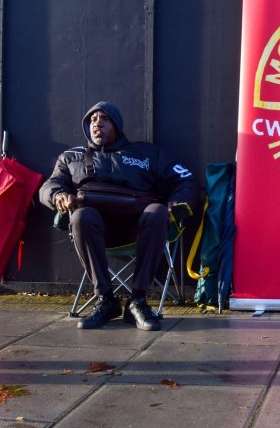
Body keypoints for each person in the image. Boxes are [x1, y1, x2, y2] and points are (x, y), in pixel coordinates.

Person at [39, 101, 196, 331]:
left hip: (139, 228)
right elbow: (48, 186)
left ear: (117, 125)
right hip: (98, 232)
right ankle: (105, 300)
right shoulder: (72, 157)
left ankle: (138, 301)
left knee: (157, 211)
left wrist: (178, 202)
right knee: (81, 216)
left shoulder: (146, 153)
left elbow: (185, 178)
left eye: (104, 119)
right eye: (92, 120)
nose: (97, 124)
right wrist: (58, 195)